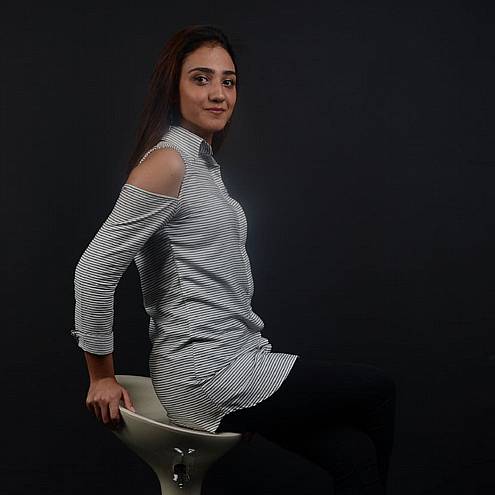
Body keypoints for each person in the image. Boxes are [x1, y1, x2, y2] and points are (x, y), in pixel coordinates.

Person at [70, 24, 397, 494]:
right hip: (203, 370)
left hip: (238, 357)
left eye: (228, 81)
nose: (218, 94)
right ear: (172, 88)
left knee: (353, 455)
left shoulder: (203, 167)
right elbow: (94, 270)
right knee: (377, 390)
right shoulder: (168, 163)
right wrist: (100, 375)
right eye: (201, 79)